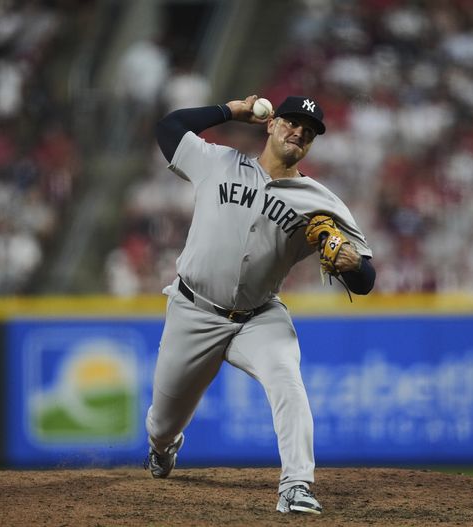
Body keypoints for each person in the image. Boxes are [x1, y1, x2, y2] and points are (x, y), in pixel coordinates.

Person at [144, 94, 376, 514]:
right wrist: (230, 111)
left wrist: (352, 264)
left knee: (286, 378)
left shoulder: (320, 201)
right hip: (193, 309)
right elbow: (168, 128)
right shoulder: (217, 162)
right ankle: (164, 448)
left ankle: (296, 486)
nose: (299, 132)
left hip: (259, 317)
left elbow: (365, 281)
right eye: (291, 122)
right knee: (162, 423)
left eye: (308, 131)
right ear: (270, 125)